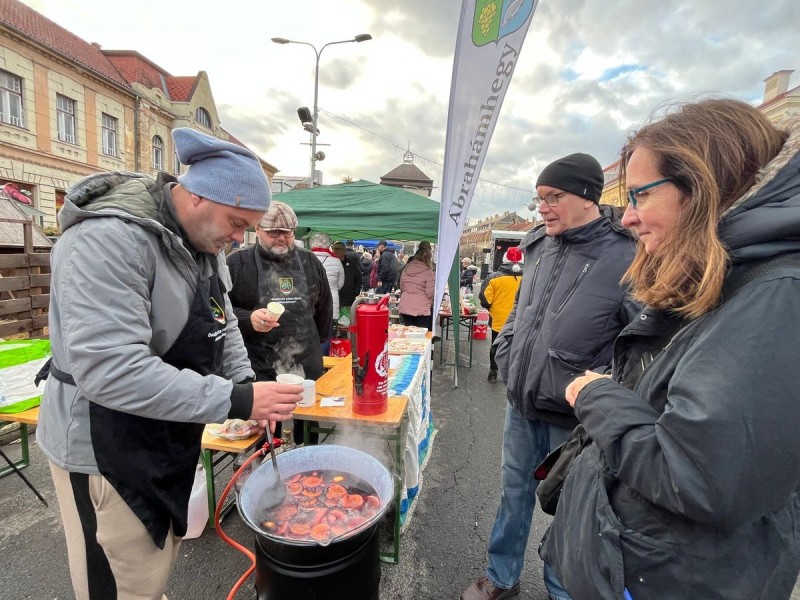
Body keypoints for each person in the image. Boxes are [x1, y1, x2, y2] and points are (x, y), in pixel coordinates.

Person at [540, 99, 800, 600]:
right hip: (631, 558)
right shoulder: (721, 273)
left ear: (701, 188)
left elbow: (697, 474)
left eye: (639, 195)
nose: (629, 217)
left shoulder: (775, 294)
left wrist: (595, 396)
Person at [37, 127, 304, 600]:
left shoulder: (204, 246)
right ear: (199, 196)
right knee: (119, 585)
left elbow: (222, 330)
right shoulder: (107, 240)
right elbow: (111, 371)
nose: (240, 237)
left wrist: (248, 389)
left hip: (164, 431)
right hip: (103, 444)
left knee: (150, 573)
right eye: (237, 222)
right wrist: (236, 397)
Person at [461, 153, 640, 600]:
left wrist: (596, 386)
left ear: (586, 197)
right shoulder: (539, 242)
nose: (542, 207)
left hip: (576, 419)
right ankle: (501, 577)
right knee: (513, 495)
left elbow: (639, 341)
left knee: (574, 511)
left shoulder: (628, 253)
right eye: (539, 198)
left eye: (553, 197)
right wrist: (507, 353)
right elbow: (522, 309)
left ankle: (563, 591)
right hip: (522, 405)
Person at [227, 201, 332, 447]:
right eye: (273, 232)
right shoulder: (237, 263)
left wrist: (318, 342)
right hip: (260, 360)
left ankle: (308, 461)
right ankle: (267, 467)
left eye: (287, 233)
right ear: (258, 229)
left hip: (304, 357)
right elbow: (217, 308)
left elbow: (325, 308)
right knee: (266, 426)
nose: (280, 238)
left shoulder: (310, 262)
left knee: (308, 421)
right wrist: (248, 318)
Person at [478, 247, 523, 384]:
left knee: (496, 345)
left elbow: (485, 299)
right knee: (518, 347)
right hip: (521, 319)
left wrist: (493, 308)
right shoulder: (529, 276)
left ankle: (493, 371)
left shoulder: (494, 277)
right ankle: (514, 375)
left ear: (504, 259)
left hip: (499, 318)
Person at [397, 246, 435, 329]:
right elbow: (430, 293)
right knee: (421, 335)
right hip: (422, 306)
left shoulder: (406, 269)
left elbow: (402, 287)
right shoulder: (429, 272)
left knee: (408, 333)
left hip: (406, 304)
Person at [332, 240, 362, 322]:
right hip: (333, 298)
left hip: (348, 297)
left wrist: (356, 292)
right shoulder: (330, 262)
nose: (335, 251)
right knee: (333, 322)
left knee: (345, 322)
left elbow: (359, 278)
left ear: (344, 251)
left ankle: (344, 334)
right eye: (334, 248)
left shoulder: (352, 264)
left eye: (338, 249)